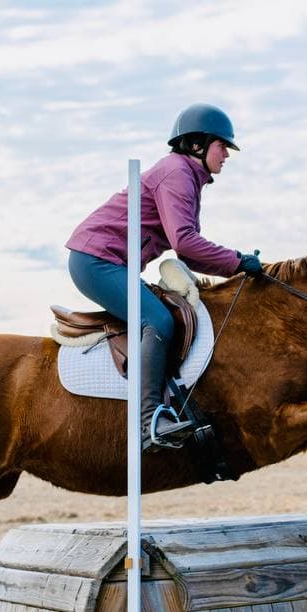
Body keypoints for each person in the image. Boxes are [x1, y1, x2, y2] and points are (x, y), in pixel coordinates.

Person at [65, 103, 264, 451]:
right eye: (223, 146)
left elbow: (185, 248)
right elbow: (185, 242)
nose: (227, 155)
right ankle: (150, 421)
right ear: (197, 145)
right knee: (157, 319)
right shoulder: (177, 173)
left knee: (164, 314)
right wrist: (236, 262)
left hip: (106, 261)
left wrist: (233, 264)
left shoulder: (186, 175)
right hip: (96, 260)